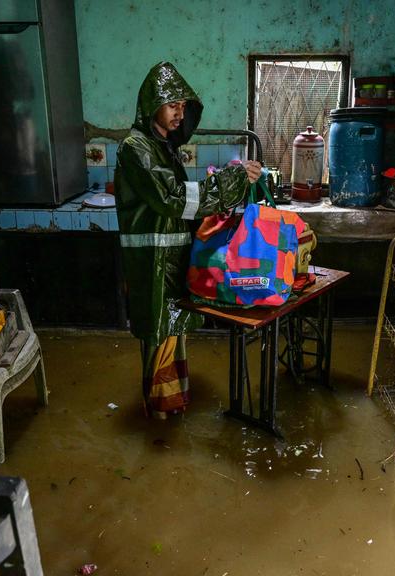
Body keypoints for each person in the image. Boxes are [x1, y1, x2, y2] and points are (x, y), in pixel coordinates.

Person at [114, 61, 261, 419]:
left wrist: (228, 188)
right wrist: (232, 180)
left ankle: (172, 405)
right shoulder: (136, 148)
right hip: (152, 262)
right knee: (159, 334)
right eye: (171, 105)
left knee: (173, 331)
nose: (179, 113)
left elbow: (185, 201)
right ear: (152, 106)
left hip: (172, 257)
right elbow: (174, 199)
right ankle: (159, 413)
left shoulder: (163, 146)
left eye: (182, 105)